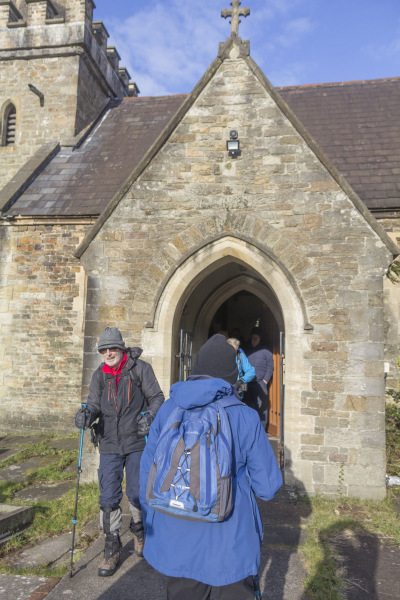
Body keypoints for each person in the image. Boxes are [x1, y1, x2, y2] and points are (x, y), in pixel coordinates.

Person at [140, 334, 282, 600]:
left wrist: (152, 520)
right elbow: (268, 488)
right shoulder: (246, 416)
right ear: (231, 374)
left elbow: (147, 471)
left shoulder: (169, 409)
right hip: (230, 541)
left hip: (176, 534)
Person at [74, 327, 164, 577]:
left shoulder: (140, 370)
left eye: (113, 348)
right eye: (104, 349)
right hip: (110, 444)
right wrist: (86, 416)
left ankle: (139, 531)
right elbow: (93, 404)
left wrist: (149, 416)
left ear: (122, 349)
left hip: (136, 441)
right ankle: (111, 550)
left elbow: (157, 396)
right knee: (109, 497)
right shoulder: (99, 376)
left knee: (136, 492)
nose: (109, 352)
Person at [245, 327, 274, 428]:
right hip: (248, 382)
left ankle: (262, 429)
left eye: (256, 338)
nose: (253, 341)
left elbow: (270, 366)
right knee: (247, 405)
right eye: (252, 338)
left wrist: (265, 380)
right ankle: (249, 428)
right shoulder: (247, 350)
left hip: (260, 382)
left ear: (260, 339)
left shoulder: (266, 351)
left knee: (262, 407)